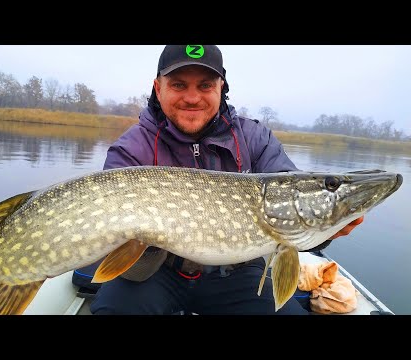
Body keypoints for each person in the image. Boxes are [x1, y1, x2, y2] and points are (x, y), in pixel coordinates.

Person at [88, 45, 363, 315]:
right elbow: (111, 239)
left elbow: (289, 207)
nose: (192, 98)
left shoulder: (255, 138)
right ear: (158, 89)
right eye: (179, 85)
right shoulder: (131, 149)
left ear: (222, 88)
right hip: (154, 273)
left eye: (205, 85)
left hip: (238, 274)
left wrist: (324, 231)